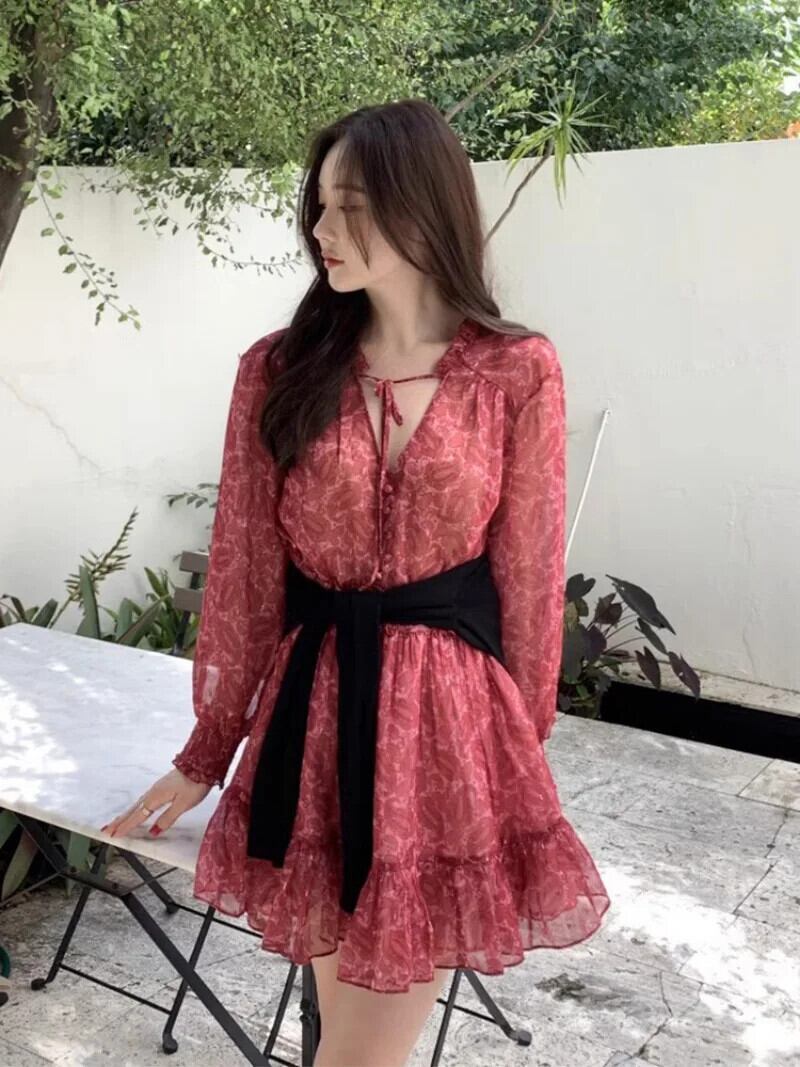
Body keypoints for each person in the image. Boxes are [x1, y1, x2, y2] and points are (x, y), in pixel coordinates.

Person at [103, 98, 610, 1067]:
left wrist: (517, 748)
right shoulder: (279, 370)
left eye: (352, 207)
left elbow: (529, 577)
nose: (321, 228)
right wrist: (207, 749)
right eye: (319, 204)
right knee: (346, 1038)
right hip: (318, 718)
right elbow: (246, 576)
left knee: (360, 1054)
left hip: (444, 737)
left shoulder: (516, 371)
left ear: (423, 207)